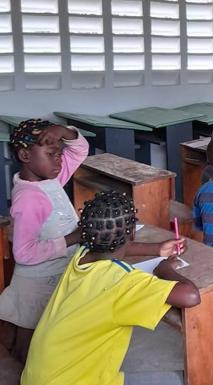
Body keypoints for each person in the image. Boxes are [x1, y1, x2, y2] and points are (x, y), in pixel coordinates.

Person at [21, 191, 201, 385]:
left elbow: (111, 247)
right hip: (73, 381)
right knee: (173, 381)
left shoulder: (82, 256)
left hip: (38, 377)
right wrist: (164, 268)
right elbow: (190, 296)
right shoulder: (122, 282)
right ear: (131, 232)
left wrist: (157, 249)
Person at [0, 119, 88, 363]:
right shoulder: (29, 198)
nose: (59, 160)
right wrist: (74, 237)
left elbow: (79, 150)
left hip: (54, 275)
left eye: (60, 153)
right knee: (28, 345)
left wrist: (65, 132)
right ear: (25, 154)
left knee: (41, 336)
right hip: (37, 283)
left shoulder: (51, 179)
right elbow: (24, 253)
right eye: (51, 154)